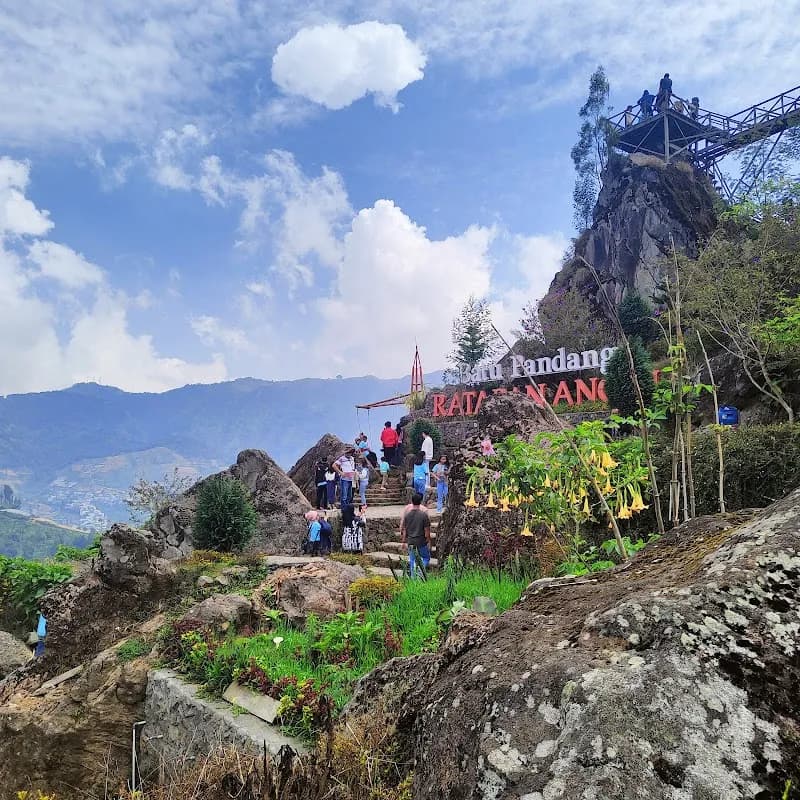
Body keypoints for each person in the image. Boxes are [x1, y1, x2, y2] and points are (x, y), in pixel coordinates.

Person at [400, 492, 431, 578]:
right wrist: (428, 541)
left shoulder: (407, 515)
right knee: (425, 558)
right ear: (420, 501)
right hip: (421, 541)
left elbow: (405, 530)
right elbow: (427, 531)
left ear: (412, 501)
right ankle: (420, 572)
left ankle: (413, 578)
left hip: (410, 541)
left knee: (412, 560)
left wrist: (403, 541)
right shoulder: (424, 515)